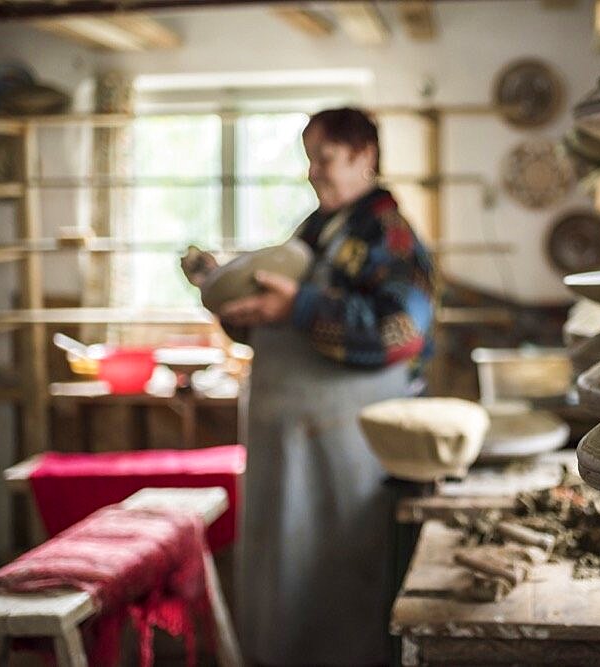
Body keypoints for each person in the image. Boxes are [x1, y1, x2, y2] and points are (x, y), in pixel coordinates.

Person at [188, 107, 435, 665]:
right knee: (287, 576)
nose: (312, 173)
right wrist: (241, 307)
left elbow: (401, 331)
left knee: (337, 583)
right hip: (294, 443)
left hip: (345, 451)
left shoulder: (390, 234)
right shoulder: (317, 228)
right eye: (309, 160)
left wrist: (296, 305)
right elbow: (282, 322)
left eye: (323, 159)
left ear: (364, 156)